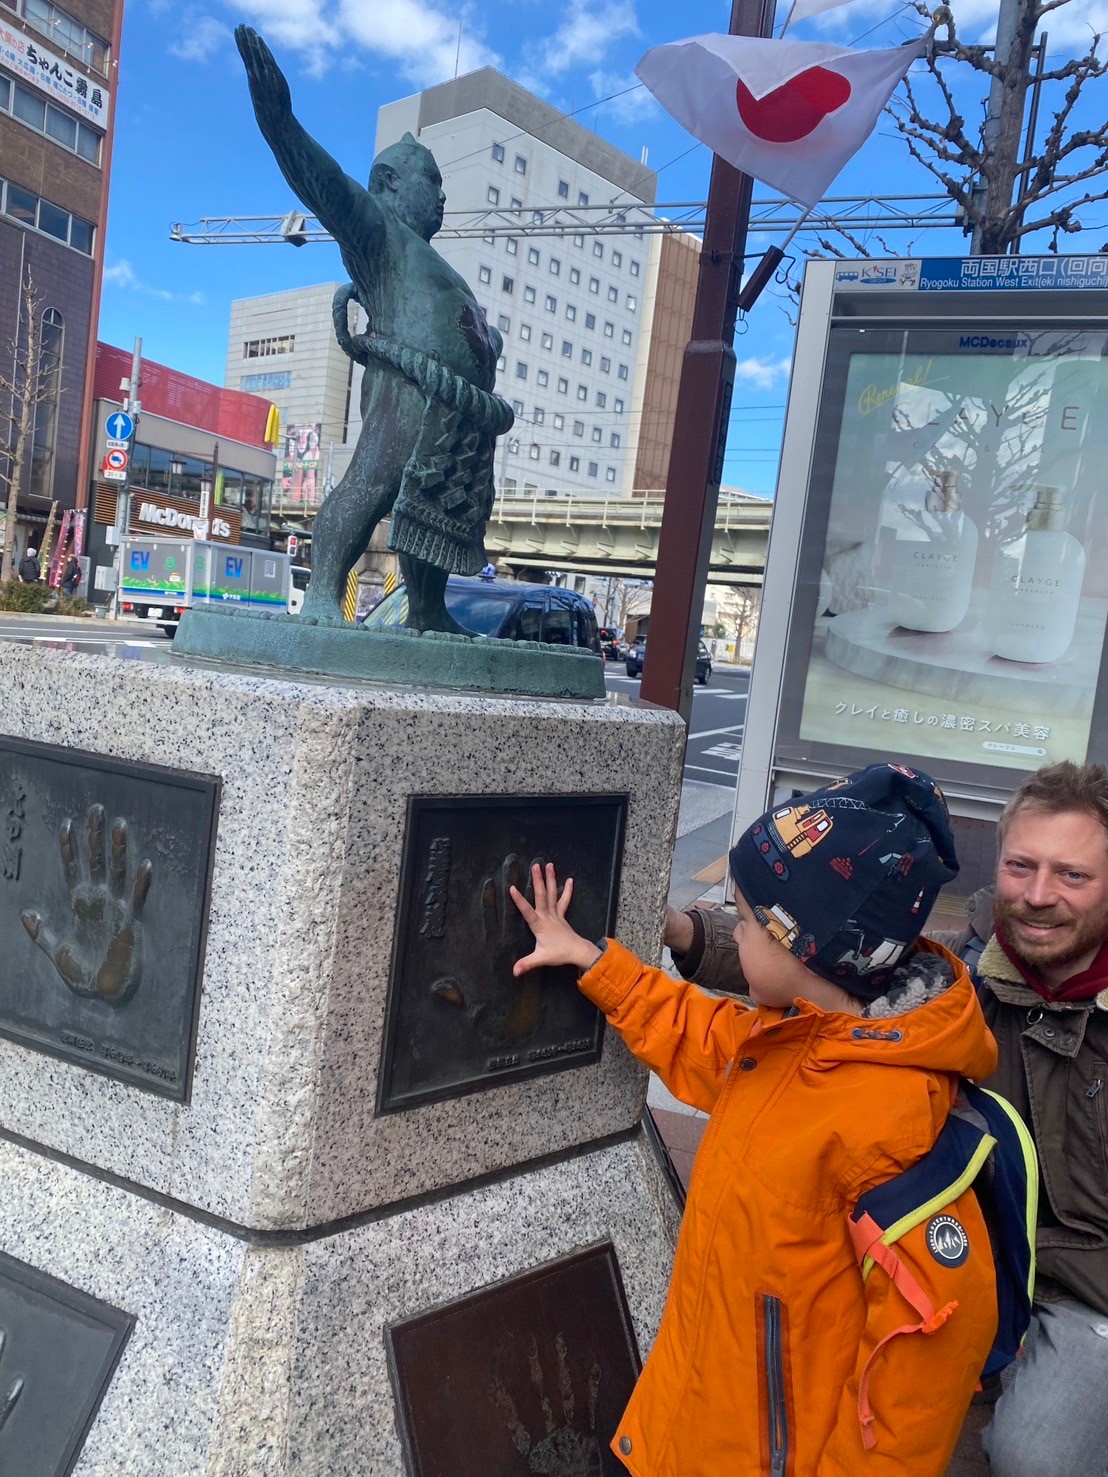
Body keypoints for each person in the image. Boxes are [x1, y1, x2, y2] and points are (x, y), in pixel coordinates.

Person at [513, 764, 999, 1476]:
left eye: (744, 921)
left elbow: (929, 1357)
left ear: (805, 944)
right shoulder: (787, 1040)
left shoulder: (891, 1120)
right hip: (691, 1417)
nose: (732, 935)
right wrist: (592, 961)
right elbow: (695, 1030)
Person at [667, 760, 1108, 1477]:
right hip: (950, 1249)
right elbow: (819, 963)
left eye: (1072, 875)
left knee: (1036, 1455)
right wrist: (684, 932)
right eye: (1021, 866)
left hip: (1081, 1289)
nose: (1037, 895)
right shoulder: (955, 976)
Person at [236, 27, 513, 634]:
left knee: (431, 502)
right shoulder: (381, 233)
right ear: (389, 182)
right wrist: (280, 123)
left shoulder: (435, 261)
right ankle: (322, 595)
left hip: (456, 407)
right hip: (405, 386)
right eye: (432, 180)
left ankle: (428, 608)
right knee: (374, 481)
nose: (442, 195)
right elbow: (326, 183)